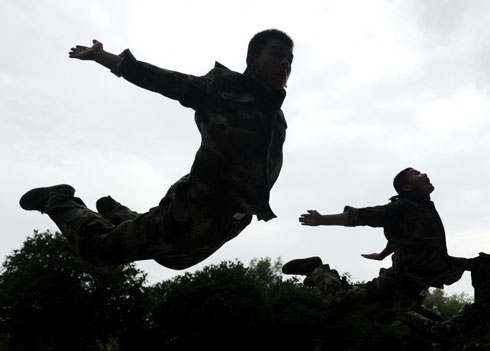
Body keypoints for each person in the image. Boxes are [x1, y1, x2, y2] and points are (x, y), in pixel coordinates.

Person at [19, 29, 294, 270]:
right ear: (252, 60)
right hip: (194, 210)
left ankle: (116, 212)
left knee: (173, 260)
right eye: (276, 54)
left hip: (228, 222)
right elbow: (166, 81)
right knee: (98, 250)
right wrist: (103, 57)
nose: (285, 62)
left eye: (290, 59)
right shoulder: (226, 90)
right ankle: (58, 199)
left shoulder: (275, 115)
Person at [282, 168, 465, 322]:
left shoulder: (424, 208)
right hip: (398, 284)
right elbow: (365, 216)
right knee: (338, 304)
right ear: (407, 186)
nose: (424, 174)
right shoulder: (402, 207)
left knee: (380, 319)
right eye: (416, 173)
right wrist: (322, 220)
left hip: (413, 291)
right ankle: (316, 269)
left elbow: (405, 238)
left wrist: (382, 254)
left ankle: (333, 281)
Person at [402, 232, 490, 341]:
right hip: (474, 318)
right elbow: (459, 263)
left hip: (481, 324)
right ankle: (402, 312)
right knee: (437, 332)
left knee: (444, 332)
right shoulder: (483, 262)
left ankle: (413, 309)